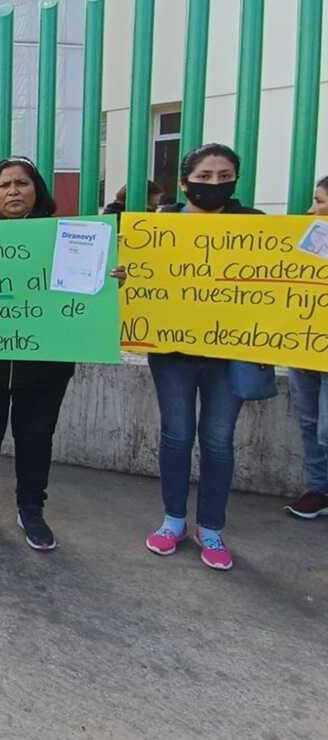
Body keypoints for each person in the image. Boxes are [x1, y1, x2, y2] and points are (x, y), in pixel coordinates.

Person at [0, 156, 125, 552]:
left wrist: (110, 279)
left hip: (46, 365)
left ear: (37, 190)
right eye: (4, 184)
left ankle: (31, 510)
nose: (13, 191)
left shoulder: (68, 238)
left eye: (22, 183)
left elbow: (87, 294)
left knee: (36, 436)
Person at [143, 143, 264, 571]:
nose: (214, 184)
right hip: (172, 352)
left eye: (224, 176)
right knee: (176, 435)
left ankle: (211, 528)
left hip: (230, 355)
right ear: (184, 182)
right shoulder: (159, 225)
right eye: (205, 176)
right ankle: (173, 521)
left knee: (218, 440)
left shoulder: (256, 226)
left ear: (235, 180)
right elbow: (141, 276)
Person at [283, 174, 328, 521]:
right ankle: (319, 489)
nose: (312, 209)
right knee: (310, 422)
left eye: (321, 202)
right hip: (304, 347)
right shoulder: (305, 239)